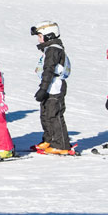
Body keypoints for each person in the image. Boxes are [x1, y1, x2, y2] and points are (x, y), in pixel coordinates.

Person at [30, 21, 73, 155]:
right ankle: (49, 139)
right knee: (45, 114)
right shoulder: (49, 49)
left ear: (49, 35)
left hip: (55, 86)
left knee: (54, 115)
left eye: (40, 36)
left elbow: (49, 70)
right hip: (49, 85)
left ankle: (61, 144)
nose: (39, 39)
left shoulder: (53, 49)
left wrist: (43, 89)